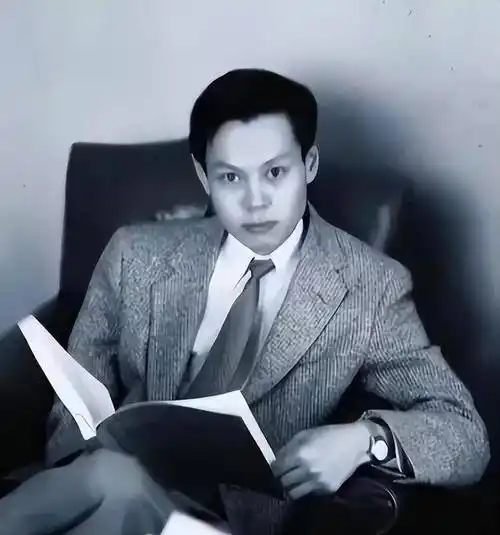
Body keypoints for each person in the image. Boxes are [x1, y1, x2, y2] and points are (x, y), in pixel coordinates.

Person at [0, 69, 490, 535]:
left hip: (223, 522)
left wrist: (366, 440)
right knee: (112, 479)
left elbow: (465, 434)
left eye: (275, 172)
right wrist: (84, 452)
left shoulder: (370, 287)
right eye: (231, 178)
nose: (256, 202)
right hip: (104, 498)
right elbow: (73, 409)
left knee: (111, 479)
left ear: (309, 165)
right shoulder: (134, 255)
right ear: (203, 176)